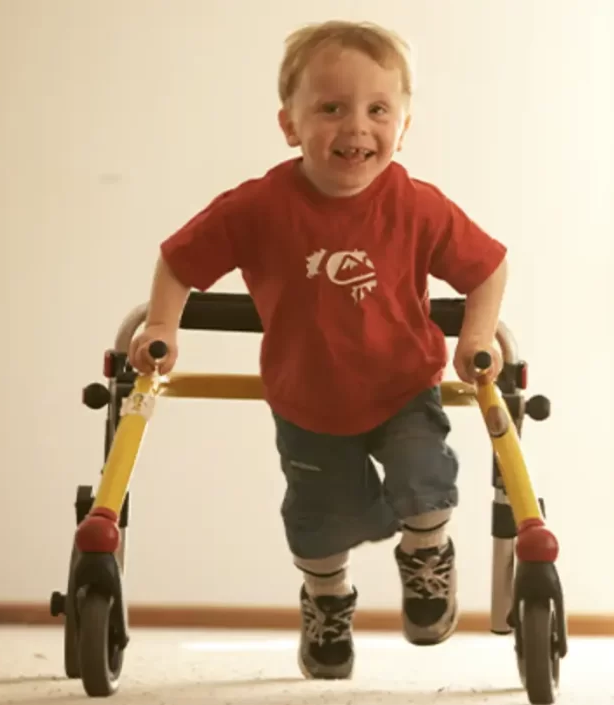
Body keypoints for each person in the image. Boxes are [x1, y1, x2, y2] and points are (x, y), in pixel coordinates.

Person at [127, 19, 508, 680]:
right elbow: (178, 260)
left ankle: (426, 559)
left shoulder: (417, 206)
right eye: (331, 108)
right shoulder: (258, 206)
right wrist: (162, 326)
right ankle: (328, 601)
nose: (356, 127)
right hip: (307, 401)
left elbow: (488, 268)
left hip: (403, 389)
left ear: (404, 126)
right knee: (321, 523)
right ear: (290, 125)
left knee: (426, 486)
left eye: (377, 109)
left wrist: (474, 335)